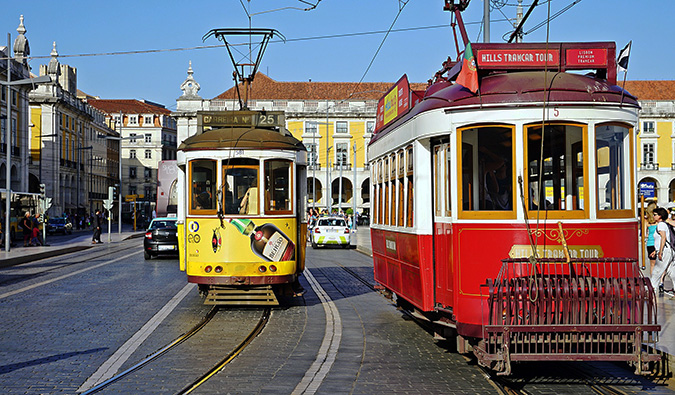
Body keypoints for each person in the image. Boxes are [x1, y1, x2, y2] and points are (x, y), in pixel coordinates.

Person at [650, 207, 675, 298]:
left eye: (655, 214)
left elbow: (663, 238)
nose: (653, 216)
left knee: (657, 271)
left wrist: (660, 252)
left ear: (660, 216)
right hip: (670, 250)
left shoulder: (661, 225)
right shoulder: (664, 224)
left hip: (665, 251)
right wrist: (655, 251)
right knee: (671, 272)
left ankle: (651, 291)